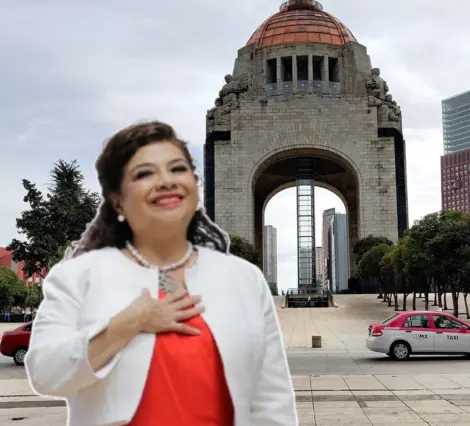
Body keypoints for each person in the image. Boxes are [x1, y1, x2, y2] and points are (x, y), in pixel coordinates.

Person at [25, 121, 297, 426]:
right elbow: (44, 372)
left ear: (195, 187)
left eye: (178, 169)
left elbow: (272, 403)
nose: (166, 181)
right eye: (144, 173)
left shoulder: (244, 279)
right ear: (117, 200)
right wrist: (128, 323)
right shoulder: (77, 276)